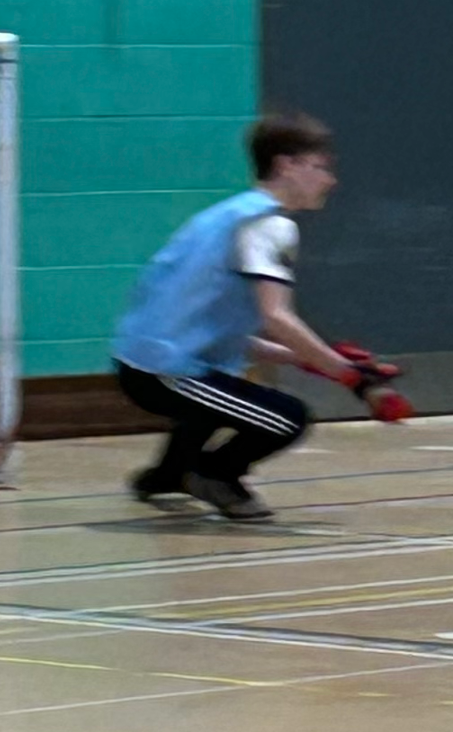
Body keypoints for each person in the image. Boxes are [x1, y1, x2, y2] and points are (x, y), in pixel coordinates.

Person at [113, 113, 373, 522]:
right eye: (320, 167)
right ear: (286, 165)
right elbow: (276, 317)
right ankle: (215, 475)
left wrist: (303, 358)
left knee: (222, 397)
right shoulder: (268, 225)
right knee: (286, 417)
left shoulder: (230, 213)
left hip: (144, 361)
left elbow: (222, 327)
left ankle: (166, 476)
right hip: (165, 370)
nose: (330, 180)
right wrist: (346, 373)